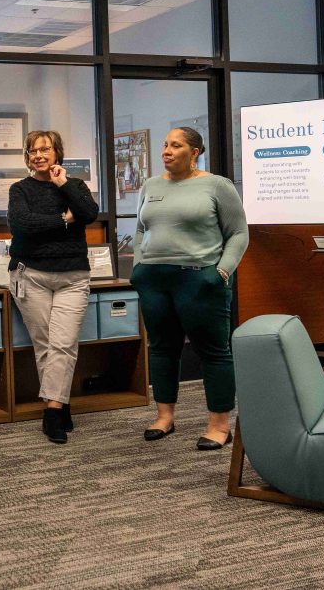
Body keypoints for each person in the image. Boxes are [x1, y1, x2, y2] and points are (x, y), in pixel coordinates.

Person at [131, 126, 249, 450]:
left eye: (176, 145)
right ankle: (164, 418)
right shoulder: (151, 185)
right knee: (162, 348)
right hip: (154, 279)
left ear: (194, 152)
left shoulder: (217, 186)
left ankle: (219, 424)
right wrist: (138, 267)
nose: (166, 151)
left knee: (213, 350)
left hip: (200, 278)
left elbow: (239, 233)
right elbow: (141, 229)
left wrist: (221, 272)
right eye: (165, 145)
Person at [7, 130, 99, 444]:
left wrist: (63, 184)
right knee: (45, 343)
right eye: (32, 150)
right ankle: (60, 405)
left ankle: (52, 410)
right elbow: (22, 224)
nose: (38, 155)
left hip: (72, 276)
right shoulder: (19, 189)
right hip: (30, 274)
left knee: (63, 342)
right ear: (27, 156)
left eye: (44, 149)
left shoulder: (74, 186)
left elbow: (89, 214)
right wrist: (63, 220)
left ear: (56, 152)